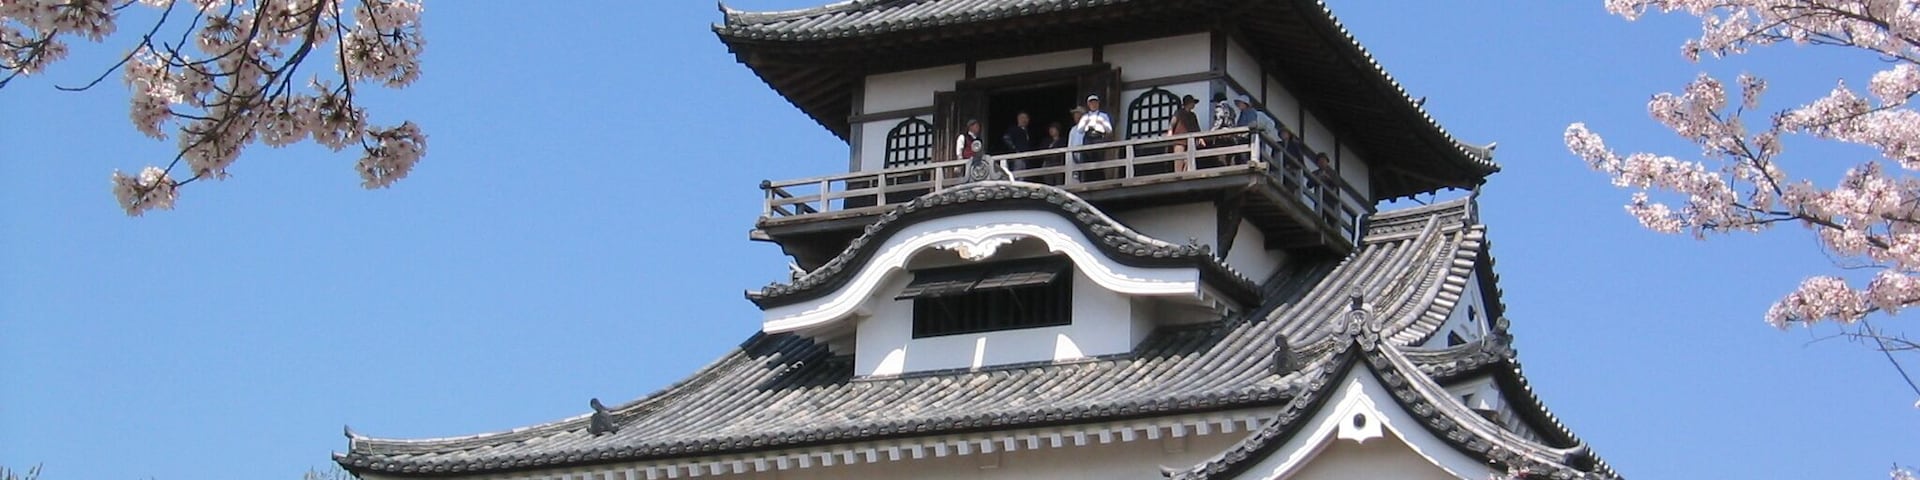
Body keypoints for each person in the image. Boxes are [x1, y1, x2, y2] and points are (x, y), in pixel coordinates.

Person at [1074, 94, 1114, 180]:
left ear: (1098, 103)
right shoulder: (1085, 117)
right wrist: (1085, 122)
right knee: (1088, 158)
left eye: (1095, 103)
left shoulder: (1103, 116)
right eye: (1091, 103)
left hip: (1098, 137)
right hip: (1088, 137)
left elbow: (1109, 130)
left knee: (1098, 159)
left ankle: (1099, 178)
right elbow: (1080, 130)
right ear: (1088, 105)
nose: (1093, 105)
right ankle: (1088, 179)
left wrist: (1102, 123)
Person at [1167, 95, 1202, 170]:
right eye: (1192, 103)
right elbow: (1172, 122)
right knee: (1179, 160)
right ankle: (1178, 176)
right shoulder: (1179, 113)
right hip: (1179, 140)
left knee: (1188, 161)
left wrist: (1200, 137)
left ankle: (1186, 174)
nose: (1193, 105)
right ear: (1188, 103)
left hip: (1190, 141)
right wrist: (1170, 131)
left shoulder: (1193, 115)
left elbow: (1196, 127)